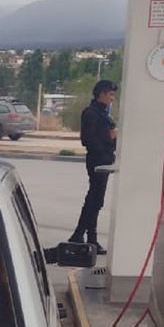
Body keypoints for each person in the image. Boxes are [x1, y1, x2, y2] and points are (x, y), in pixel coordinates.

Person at [68, 80, 118, 254]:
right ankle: (80, 235)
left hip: (104, 159)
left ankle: (89, 238)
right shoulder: (91, 113)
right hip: (97, 160)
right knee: (94, 199)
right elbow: (88, 139)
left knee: (96, 200)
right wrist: (110, 138)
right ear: (101, 94)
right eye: (110, 95)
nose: (112, 98)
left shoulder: (103, 113)